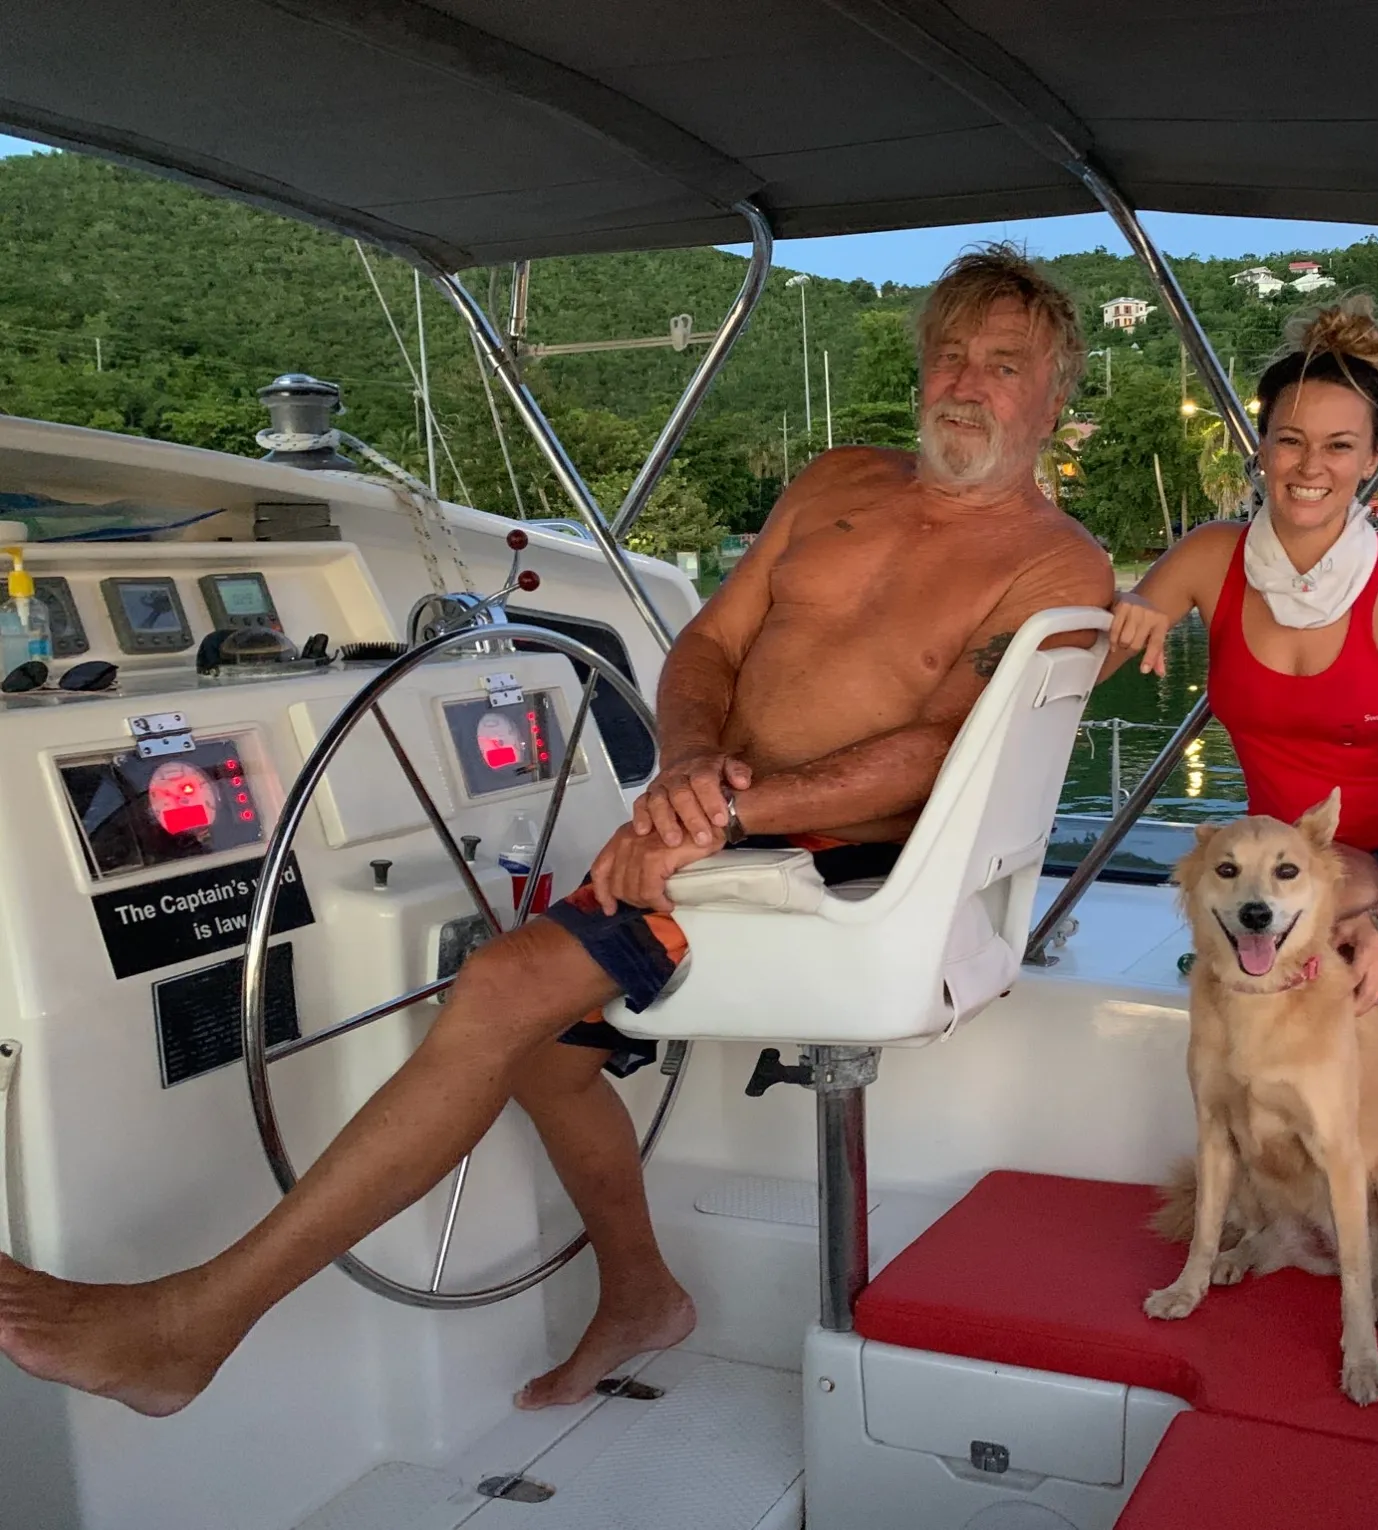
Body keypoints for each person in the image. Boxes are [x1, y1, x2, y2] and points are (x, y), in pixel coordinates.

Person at [0, 245, 1113, 1418]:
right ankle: (641, 1294)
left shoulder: (1056, 561)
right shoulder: (837, 480)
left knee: (499, 989)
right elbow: (711, 646)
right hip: (719, 823)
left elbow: (942, 751)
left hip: (840, 866)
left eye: (1004, 365)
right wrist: (685, 772)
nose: (966, 384)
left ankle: (187, 1329)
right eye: (950, 355)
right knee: (536, 1045)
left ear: (1053, 399)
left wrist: (721, 813)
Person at [1107, 295, 1378, 1368]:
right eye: (1288, 440)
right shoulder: (1210, 558)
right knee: (1300, 924)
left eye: (1338, 445)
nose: (1309, 466)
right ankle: (1286, 1170)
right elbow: (1098, 646)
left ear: (1371, 460)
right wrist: (1124, 614)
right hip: (1315, 855)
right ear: (1261, 449)